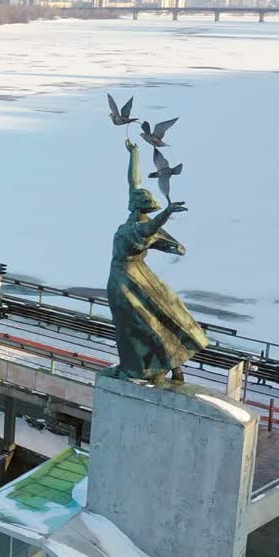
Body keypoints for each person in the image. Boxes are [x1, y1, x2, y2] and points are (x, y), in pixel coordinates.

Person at [104, 139, 209, 381]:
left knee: (136, 325)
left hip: (125, 280)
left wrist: (167, 214)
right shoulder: (134, 217)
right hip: (137, 275)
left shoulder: (139, 228)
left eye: (135, 198)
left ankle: (152, 365)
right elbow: (134, 181)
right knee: (159, 314)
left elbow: (151, 227)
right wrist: (135, 154)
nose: (130, 198)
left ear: (137, 204)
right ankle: (173, 365)